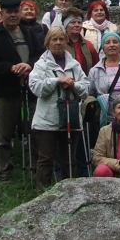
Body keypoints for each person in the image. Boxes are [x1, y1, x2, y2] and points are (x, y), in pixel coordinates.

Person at [0, 0, 44, 181]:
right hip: (3, 92)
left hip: (29, 91)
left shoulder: (29, 33)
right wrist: (11, 68)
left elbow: (40, 56)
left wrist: (29, 66)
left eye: (16, 11)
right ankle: (4, 173)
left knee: (34, 131)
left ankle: (36, 170)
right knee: (2, 136)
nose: (13, 15)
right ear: (2, 14)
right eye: (9, 12)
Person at [29, 27, 90, 190]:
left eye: (61, 40)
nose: (58, 43)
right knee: (46, 158)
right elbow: (36, 88)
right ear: (47, 43)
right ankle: (42, 193)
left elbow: (86, 88)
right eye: (54, 40)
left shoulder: (74, 64)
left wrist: (73, 84)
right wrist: (56, 81)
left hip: (71, 117)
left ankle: (68, 193)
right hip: (47, 119)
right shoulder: (41, 65)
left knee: (69, 159)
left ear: (66, 42)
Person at [62, 6, 100, 177]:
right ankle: (68, 169)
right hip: (66, 92)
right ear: (66, 25)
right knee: (68, 132)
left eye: (79, 22)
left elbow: (96, 65)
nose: (77, 25)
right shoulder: (60, 43)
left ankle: (85, 169)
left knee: (86, 131)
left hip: (84, 91)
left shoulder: (88, 45)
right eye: (73, 23)